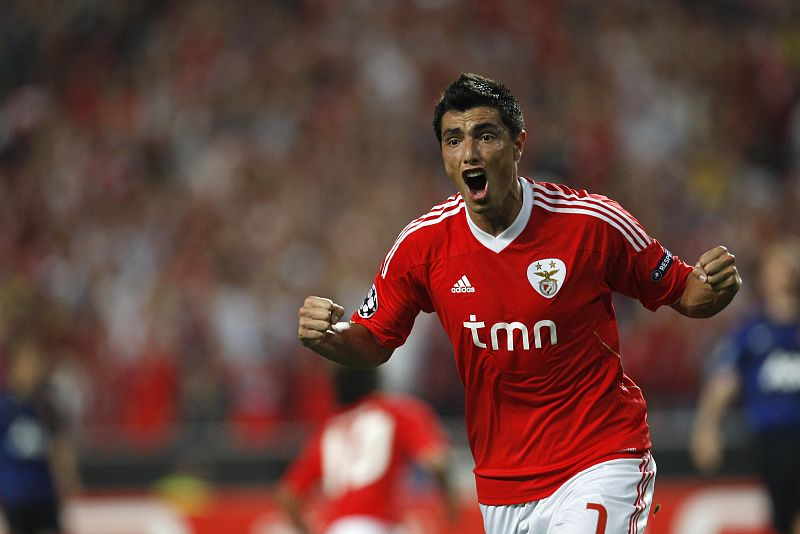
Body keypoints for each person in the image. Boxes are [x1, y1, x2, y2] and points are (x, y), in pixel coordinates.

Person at [297, 73, 741, 533]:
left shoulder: (590, 224)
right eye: (453, 140)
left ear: (518, 144)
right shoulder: (422, 246)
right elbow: (373, 340)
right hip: (504, 487)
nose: (469, 152)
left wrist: (714, 285)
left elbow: (683, 290)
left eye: (485, 135)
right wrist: (332, 336)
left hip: (601, 458)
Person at [690, 237, 800, 534]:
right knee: (783, 515)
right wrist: (707, 427)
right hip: (771, 439)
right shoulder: (752, 331)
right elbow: (723, 382)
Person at [275, 365, 456, 534]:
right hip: (378, 525)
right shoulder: (398, 412)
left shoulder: (329, 428)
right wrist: (450, 504)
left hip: (337, 528)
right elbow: (436, 460)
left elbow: (289, 495)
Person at [0, 338, 82, 534]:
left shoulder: (47, 406)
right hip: (16, 495)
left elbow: (60, 445)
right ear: (14, 367)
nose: (31, 370)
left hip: (44, 494)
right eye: (26, 363)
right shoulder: (4, 408)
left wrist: (68, 479)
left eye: (35, 363)